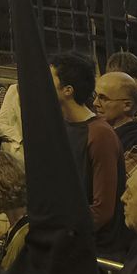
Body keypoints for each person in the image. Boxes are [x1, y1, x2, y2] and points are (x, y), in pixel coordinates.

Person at [50, 50, 127, 257]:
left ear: (68, 90)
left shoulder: (100, 134)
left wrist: (62, 233)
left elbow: (102, 209)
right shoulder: (61, 126)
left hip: (93, 248)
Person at [95, 70, 137, 177]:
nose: (95, 103)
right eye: (95, 96)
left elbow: (121, 184)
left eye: (103, 98)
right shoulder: (98, 132)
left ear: (127, 105)